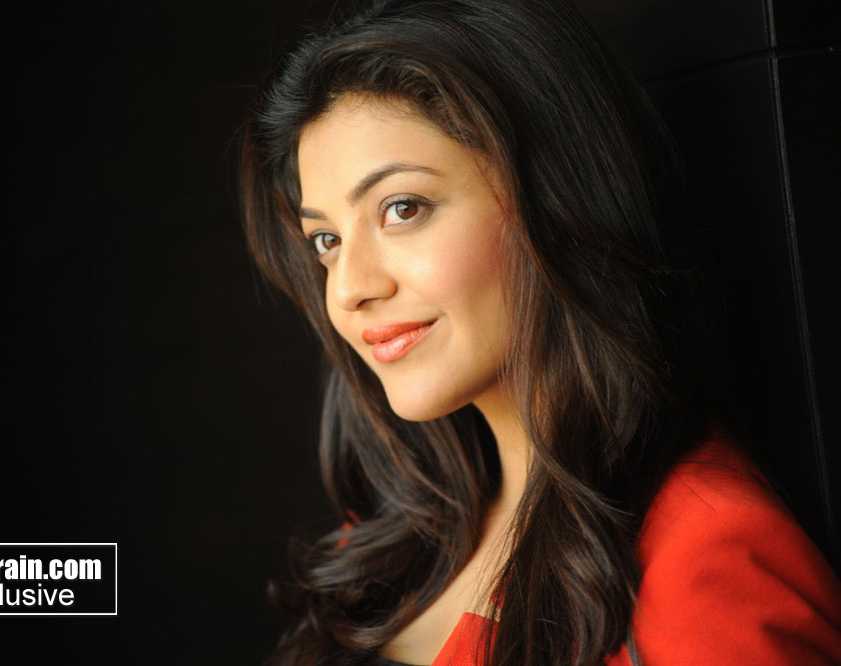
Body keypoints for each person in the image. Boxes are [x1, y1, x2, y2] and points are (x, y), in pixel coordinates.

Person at [237, 0, 841, 664]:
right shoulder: (391, 539)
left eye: (402, 208)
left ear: (555, 198)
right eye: (326, 240)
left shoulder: (706, 562)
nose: (349, 288)